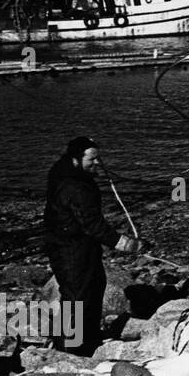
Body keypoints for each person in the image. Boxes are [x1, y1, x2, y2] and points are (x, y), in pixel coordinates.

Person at [42, 137, 142, 355]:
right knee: (78, 296)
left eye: (98, 159)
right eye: (92, 159)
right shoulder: (76, 187)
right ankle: (71, 349)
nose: (97, 163)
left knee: (92, 287)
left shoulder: (64, 173)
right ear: (76, 159)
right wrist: (126, 244)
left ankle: (86, 339)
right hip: (72, 249)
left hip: (70, 245)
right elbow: (93, 225)